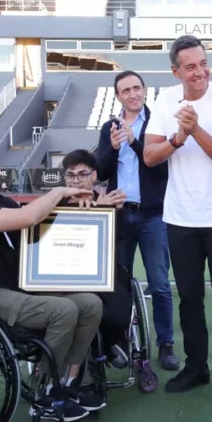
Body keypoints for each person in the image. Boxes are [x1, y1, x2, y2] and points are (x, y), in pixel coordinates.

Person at [0, 135, 105, 422]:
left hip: (21, 287)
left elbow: (42, 227)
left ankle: (65, 384)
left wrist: (93, 210)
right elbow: (28, 218)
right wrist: (61, 192)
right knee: (63, 310)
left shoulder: (2, 200)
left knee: (91, 303)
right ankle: (44, 393)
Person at [143, 35, 212, 400]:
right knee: (188, 297)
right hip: (181, 217)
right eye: (191, 66)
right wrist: (177, 137)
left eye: (203, 63)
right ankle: (197, 366)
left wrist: (194, 129)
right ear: (176, 72)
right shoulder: (165, 100)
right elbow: (150, 155)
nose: (200, 71)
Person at [95, 70, 178, 371]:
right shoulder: (109, 127)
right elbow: (101, 172)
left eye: (136, 88)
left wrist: (134, 142)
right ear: (117, 96)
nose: (132, 94)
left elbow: (161, 169)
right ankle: (122, 342)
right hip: (119, 215)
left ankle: (165, 344)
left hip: (153, 215)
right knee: (118, 284)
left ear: (144, 90)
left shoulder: (159, 124)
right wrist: (114, 147)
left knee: (159, 284)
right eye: (125, 90)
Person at [57, 149, 135, 370]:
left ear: (94, 176)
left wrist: (105, 211)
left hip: (104, 272)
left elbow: (117, 241)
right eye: (71, 175)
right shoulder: (54, 205)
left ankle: (107, 344)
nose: (77, 180)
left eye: (83, 174)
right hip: (66, 275)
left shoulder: (110, 202)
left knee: (118, 316)